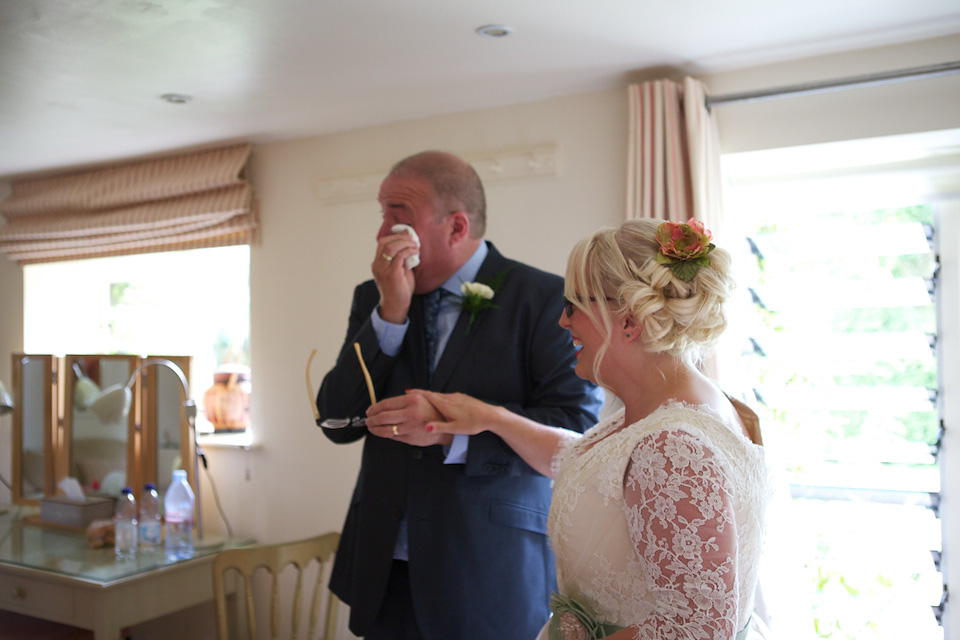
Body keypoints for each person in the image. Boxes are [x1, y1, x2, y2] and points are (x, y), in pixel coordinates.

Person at [412, 217, 773, 640]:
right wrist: (492, 418)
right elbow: (592, 464)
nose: (564, 322)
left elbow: (696, 628)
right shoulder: (669, 409)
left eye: (573, 306)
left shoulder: (672, 446)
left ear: (629, 320)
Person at [316, 150, 604, 640]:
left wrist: (452, 434)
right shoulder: (374, 297)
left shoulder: (542, 299)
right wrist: (390, 313)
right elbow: (336, 420)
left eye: (397, 215)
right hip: (385, 572)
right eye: (382, 212)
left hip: (489, 569)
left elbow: (574, 430)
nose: (382, 230)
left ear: (455, 228)